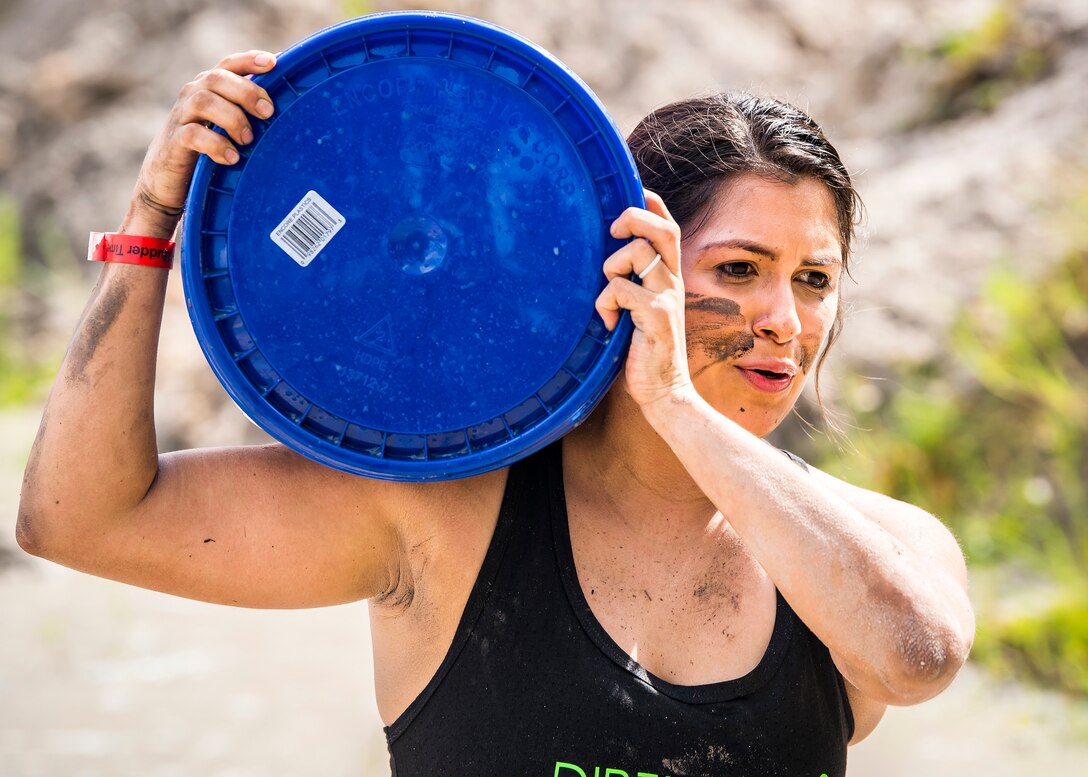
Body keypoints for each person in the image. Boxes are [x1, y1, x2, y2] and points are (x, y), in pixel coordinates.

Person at [17, 49, 974, 777]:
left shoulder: (872, 546)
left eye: (814, 279)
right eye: (737, 269)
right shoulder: (444, 514)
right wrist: (149, 223)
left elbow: (917, 659)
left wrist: (676, 403)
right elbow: (79, 518)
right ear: (622, 264)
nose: (782, 319)